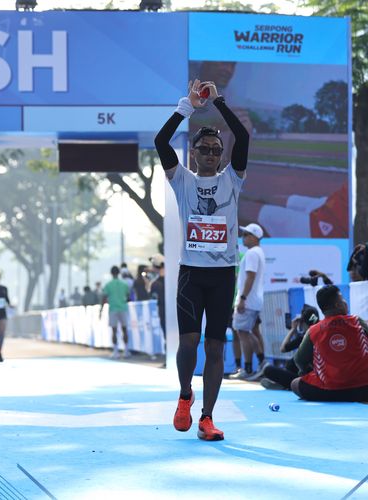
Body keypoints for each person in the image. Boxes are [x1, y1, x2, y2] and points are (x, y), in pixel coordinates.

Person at [154, 79, 249, 441]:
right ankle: (184, 396)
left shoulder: (233, 179)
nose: (211, 153)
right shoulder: (181, 180)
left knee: (215, 347)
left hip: (223, 275)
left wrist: (219, 103)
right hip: (192, 274)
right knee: (189, 343)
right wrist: (187, 107)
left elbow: (243, 137)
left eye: (216, 149)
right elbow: (161, 141)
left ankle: (207, 418)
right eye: (204, 149)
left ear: (222, 155)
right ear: (192, 153)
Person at [291, 285, 368, 402]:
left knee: (294, 384)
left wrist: (307, 371)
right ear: (338, 305)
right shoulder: (357, 321)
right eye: (342, 299)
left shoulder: (313, 330)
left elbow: (299, 360)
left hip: (332, 392)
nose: (345, 302)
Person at [229, 223, 267, 380]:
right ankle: (259, 364)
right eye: (243, 234)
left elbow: (250, 277)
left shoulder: (252, 253)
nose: (243, 237)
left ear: (255, 237)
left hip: (249, 301)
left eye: (246, 234)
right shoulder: (258, 252)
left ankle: (252, 367)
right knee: (246, 332)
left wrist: (243, 298)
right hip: (253, 300)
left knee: (243, 332)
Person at [260, 304, 320, 391]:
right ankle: (285, 383)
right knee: (292, 364)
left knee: (268, 369)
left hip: (309, 379)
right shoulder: (322, 331)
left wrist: (292, 329)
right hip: (321, 375)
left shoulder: (305, 336)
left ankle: (286, 383)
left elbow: (283, 348)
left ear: (303, 322)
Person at [101, 265, 131, 359]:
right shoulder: (124, 284)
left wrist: (101, 309)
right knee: (124, 329)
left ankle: (115, 351)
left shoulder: (108, 285)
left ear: (111, 273)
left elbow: (104, 297)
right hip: (123, 308)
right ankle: (126, 351)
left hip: (113, 309)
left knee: (114, 331)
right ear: (119, 273)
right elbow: (128, 296)